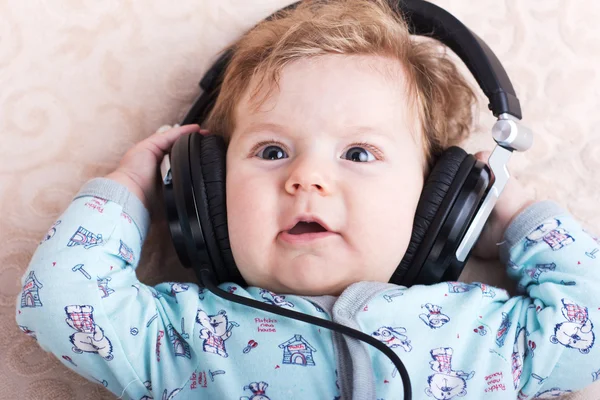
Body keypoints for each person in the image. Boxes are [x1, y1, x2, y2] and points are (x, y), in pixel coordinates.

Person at [15, 0, 600, 399]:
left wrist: (518, 213)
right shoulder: (177, 336)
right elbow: (59, 301)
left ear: (440, 206)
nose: (307, 178)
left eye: (359, 154)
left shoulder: (482, 334)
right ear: (201, 200)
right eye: (271, 152)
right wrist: (130, 185)